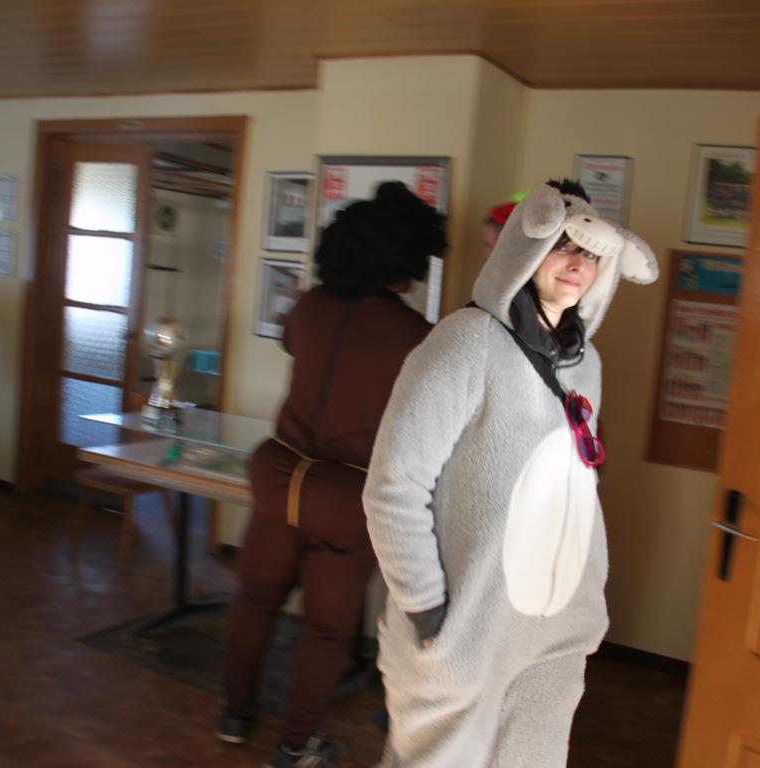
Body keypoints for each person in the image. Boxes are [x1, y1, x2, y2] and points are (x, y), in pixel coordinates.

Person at [363, 180, 658, 767]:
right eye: (563, 246)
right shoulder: (465, 342)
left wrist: (588, 593)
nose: (578, 265)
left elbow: (577, 481)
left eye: (590, 253)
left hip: (554, 631)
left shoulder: (586, 365)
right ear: (527, 248)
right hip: (465, 630)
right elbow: (394, 486)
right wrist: (427, 610)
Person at [217, 182, 446, 768]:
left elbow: (299, 348)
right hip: (345, 496)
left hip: (278, 477)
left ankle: (235, 716)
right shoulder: (416, 337)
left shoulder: (308, 308)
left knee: (255, 600)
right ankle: (296, 745)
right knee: (325, 631)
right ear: (406, 258)